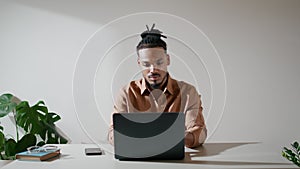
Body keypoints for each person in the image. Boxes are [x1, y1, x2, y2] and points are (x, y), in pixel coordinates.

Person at [108, 24, 207, 148]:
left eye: (159, 62)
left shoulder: (188, 92)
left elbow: (200, 133)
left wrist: (177, 137)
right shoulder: (126, 92)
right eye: (146, 64)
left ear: (168, 60)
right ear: (139, 63)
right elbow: (112, 134)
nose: (153, 69)